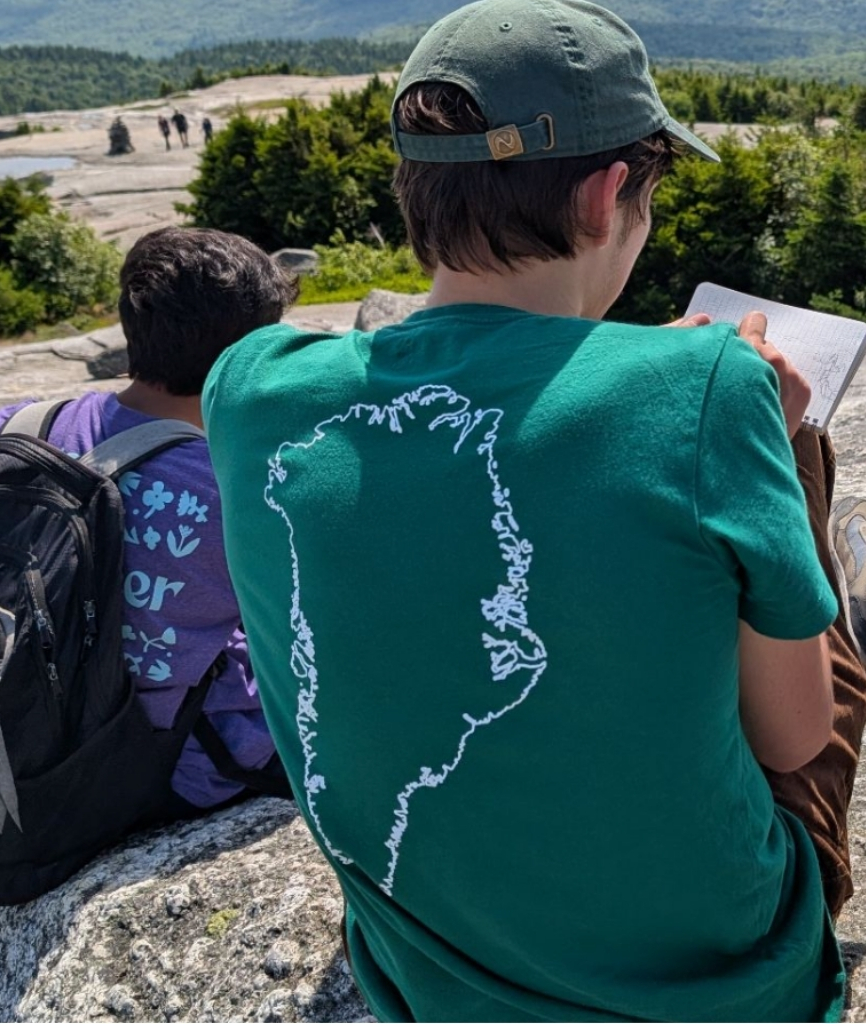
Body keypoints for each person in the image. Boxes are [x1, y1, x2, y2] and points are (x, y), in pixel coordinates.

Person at [201, 0, 866, 1020]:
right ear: (607, 197)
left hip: (432, 978)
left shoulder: (245, 390)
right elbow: (793, 738)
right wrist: (771, 443)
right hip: (719, 988)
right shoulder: (710, 394)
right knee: (824, 630)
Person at [0, 226, 299, 819]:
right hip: (180, 765)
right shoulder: (236, 481)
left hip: (24, 740)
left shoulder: (20, 429)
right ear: (248, 355)